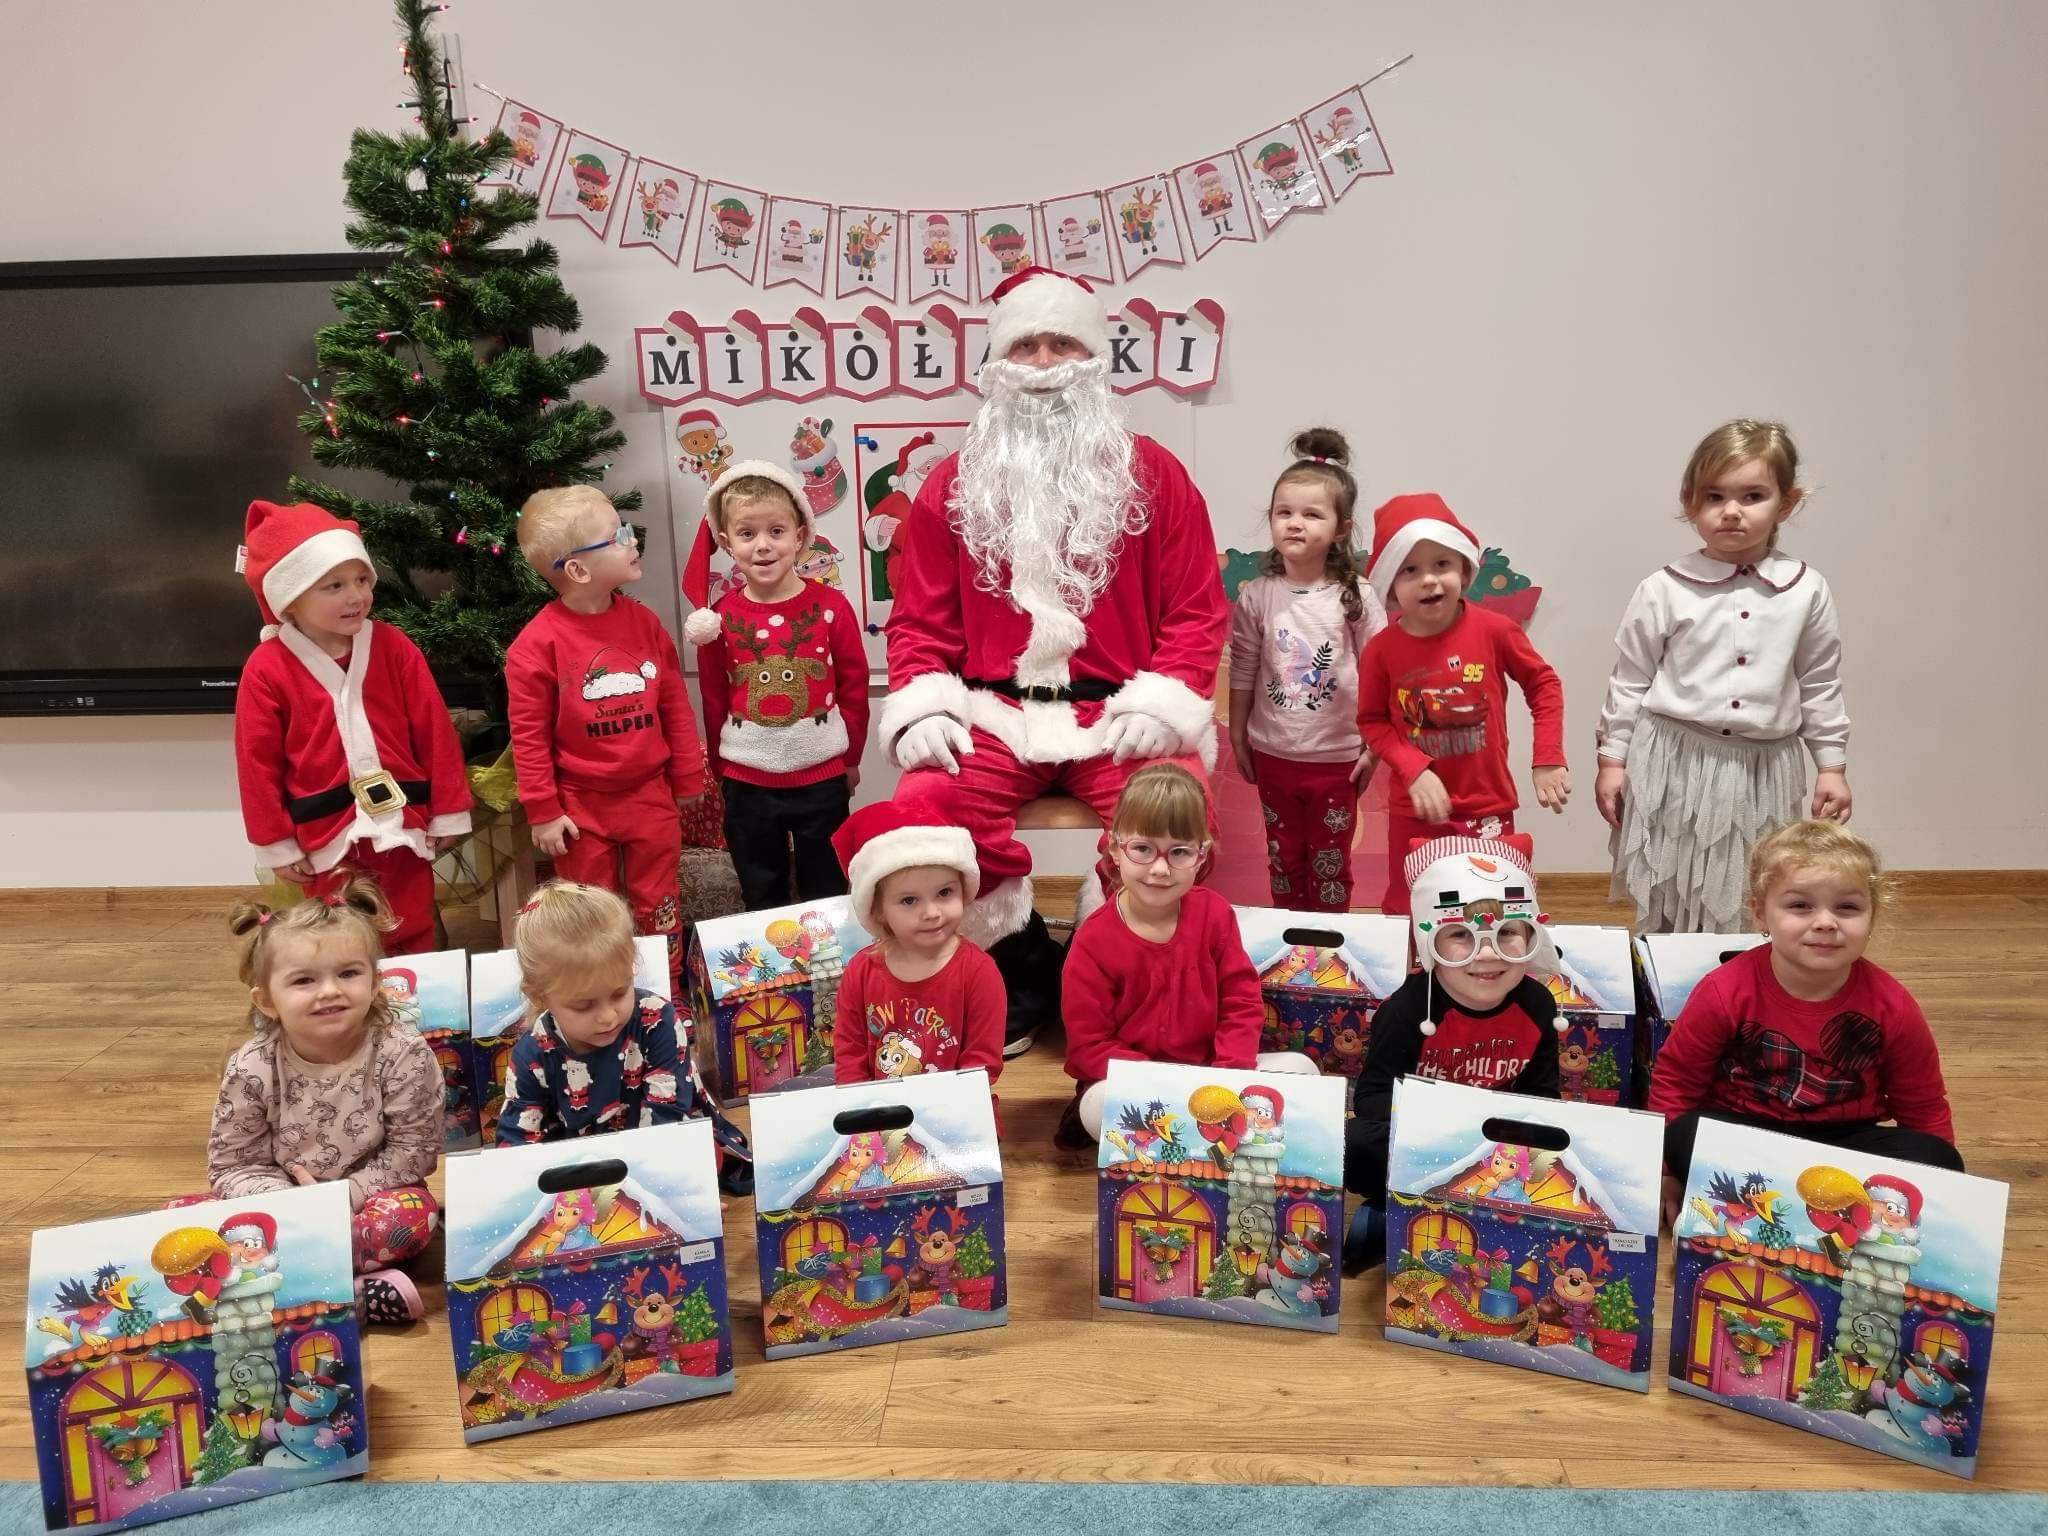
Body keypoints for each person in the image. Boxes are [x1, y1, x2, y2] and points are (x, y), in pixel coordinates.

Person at [880, 267, 1231, 1054]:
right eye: (1025, 346)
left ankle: (1123, 975)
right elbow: (919, 621)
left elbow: (1197, 612)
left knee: (1175, 812)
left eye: (1062, 344)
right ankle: (1019, 970)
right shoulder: (951, 485)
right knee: (926, 808)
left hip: (1119, 713)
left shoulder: (1157, 476)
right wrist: (925, 703)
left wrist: (1162, 702)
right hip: (994, 711)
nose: (1043, 364)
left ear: (1096, 358)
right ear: (997, 364)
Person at [1596, 419, 1852, 933]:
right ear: (1690, 502)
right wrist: (1612, 760)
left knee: (1755, 881)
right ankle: (1667, 969)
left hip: (1763, 766)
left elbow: (1820, 682)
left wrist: (1831, 766)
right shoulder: (1663, 588)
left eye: (1752, 495)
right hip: (1673, 758)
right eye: (1714, 496)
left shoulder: (1806, 590)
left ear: (1786, 503)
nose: (1731, 510)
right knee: (1671, 878)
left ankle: (1740, 974)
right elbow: (1630, 680)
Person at [1649, 821, 1959, 1227]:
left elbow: (1923, 1105)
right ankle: (1802, 1203)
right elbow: (1676, 1083)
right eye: (1800, 906)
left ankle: (1803, 1200)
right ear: (1760, 913)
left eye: (1847, 908)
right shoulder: (1723, 991)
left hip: (1845, 1146)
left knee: (1939, 1157)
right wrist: (1665, 1173)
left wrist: (1945, 1191)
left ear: (1871, 916)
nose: (1826, 922)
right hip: (1748, 1136)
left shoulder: (1893, 1005)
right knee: (1684, 1133)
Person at [232, 500, 471, 953]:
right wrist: (277, 842)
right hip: (325, 834)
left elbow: (434, 730)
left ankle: (415, 995)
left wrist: (448, 808)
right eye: (335, 586)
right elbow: (256, 763)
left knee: (412, 922)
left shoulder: (394, 647)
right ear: (290, 598)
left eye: (362, 580)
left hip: (403, 824)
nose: (357, 596)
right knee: (336, 937)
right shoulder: (267, 668)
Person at [206, 880, 443, 1325]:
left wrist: (344, 1197)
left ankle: (294, 1291)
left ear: (376, 982)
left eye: (349, 974)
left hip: (370, 1202)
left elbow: (414, 1152)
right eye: (304, 980)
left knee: (411, 1219)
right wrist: (294, 1205)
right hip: (285, 1208)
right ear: (267, 1001)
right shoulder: (252, 1066)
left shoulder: (403, 1053)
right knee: (187, 1221)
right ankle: (354, 1293)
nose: (330, 990)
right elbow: (232, 1165)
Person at [509, 485, 705, 997]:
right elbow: (528, 737)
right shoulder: (536, 646)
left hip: (649, 793)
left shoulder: (644, 623)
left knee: (660, 899)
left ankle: (667, 993)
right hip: (580, 805)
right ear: (577, 569)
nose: (632, 540)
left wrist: (687, 773)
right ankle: (600, 993)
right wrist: (543, 810)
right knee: (591, 908)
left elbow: (674, 705)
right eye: (617, 535)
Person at [1055, 764, 1317, 1145]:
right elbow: (1089, 1046)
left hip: (1213, 1076)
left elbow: (1241, 1005)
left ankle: (1206, 1137)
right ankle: (1198, 1139)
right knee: (1096, 1106)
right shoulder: (1092, 940)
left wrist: (1226, 1075)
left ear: (1201, 854)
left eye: (1179, 852)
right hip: (1142, 1085)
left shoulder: (1215, 914)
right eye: (1143, 849)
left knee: (1302, 1069)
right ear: (1115, 848)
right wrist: (1167, 1082)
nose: (1160, 869)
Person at [1340, 835, 1564, 1271]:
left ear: (1532, 936)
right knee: (1356, 1143)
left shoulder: (1537, 1005)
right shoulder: (1407, 1010)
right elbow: (1372, 1099)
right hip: (1423, 1142)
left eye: (1507, 933)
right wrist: (1442, 1129)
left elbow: (1542, 1097)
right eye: (1461, 934)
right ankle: (1394, 1207)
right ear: (1430, 944)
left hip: (1501, 1151)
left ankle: (1485, 1218)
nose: (1487, 952)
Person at [1356, 494, 1568, 915]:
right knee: (1413, 910)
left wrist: (1547, 756)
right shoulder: (1381, 650)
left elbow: (1543, 683)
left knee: (1491, 906)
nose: (1429, 580)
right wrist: (1413, 769)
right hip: (1416, 811)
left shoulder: (1495, 631)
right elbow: (1372, 720)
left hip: (1487, 807)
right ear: (1391, 584)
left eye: (1441, 564)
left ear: (1464, 569)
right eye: (1410, 570)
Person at [681, 461, 868, 912]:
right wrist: (721, 772)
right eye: (747, 534)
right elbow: (714, 696)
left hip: (822, 778)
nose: (763, 546)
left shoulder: (831, 607)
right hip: (747, 783)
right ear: (726, 542)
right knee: (760, 892)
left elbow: (854, 687)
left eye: (776, 531)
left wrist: (851, 760)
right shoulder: (718, 619)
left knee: (827, 889)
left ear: (800, 536)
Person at [495, 881, 753, 1194]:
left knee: (706, 1158)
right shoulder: (532, 1053)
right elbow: (516, 1141)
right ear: (539, 995)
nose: (607, 1016)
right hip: (581, 1162)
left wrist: (679, 1196)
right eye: (584, 1006)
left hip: (661, 1141)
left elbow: (669, 1115)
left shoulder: (657, 1019)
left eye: (619, 993)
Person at [1228, 427, 1386, 910]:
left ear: (1340, 528)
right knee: (1284, 858)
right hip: (1274, 755)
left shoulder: (1356, 595)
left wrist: (1375, 747)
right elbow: (1243, 670)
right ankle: (1291, 941)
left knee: (1329, 861)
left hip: (1336, 760)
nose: (1295, 524)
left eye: (1312, 514)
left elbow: (1381, 673)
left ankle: (1330, 941)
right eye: (1284, 513)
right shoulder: (1258, 596)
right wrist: (1238, 736)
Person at [829, 798, 1007, 1101]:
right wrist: (860, 1108)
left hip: (957, 1106)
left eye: (944, 892)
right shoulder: (861, 971)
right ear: (878, 910)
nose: (932, 912)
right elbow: (850, 1054)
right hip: (880, 1110)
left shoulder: (979, 972)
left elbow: (981, 1064)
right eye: (909, 900)